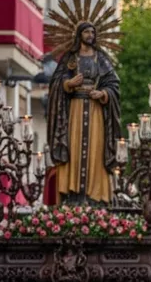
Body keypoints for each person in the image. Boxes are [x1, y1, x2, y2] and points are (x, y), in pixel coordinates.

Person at [47, 20, 120, 205]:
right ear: (80, 34)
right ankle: (73, 195)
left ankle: (94, 196)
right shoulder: (70, 58)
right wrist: (68, 84)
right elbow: (56, 81)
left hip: (95, 111)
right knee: (73, 148)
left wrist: (103, 93)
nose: (90, 36)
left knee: (96, 148)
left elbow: (113, 83)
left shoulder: (100, 58)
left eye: (92, 33)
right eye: (87, 32)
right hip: (74, 110)